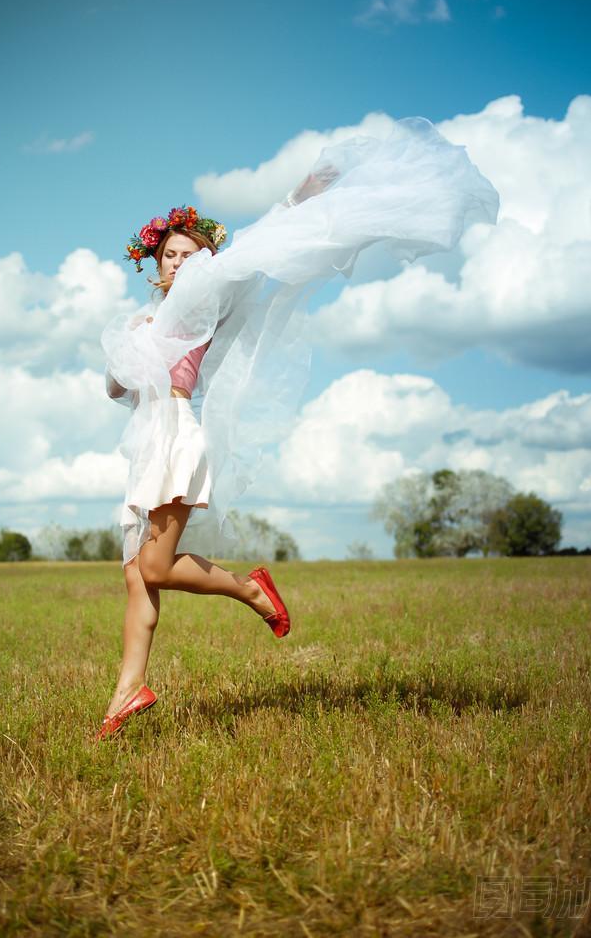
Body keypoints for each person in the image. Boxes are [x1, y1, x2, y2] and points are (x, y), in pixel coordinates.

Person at [96, 119, 499, 739]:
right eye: (171, 254)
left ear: (204, 259)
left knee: (152, 568)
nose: (182, 262)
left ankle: (250, 589)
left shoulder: (208, 293)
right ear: (154, 261)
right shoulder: (140, 318)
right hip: (143, 440)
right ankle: (126, 694)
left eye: (192, 253)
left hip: (176, 433)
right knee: (136, 574)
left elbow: (264, 244)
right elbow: (115, 388)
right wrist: (123, 355)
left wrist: (302, 194)